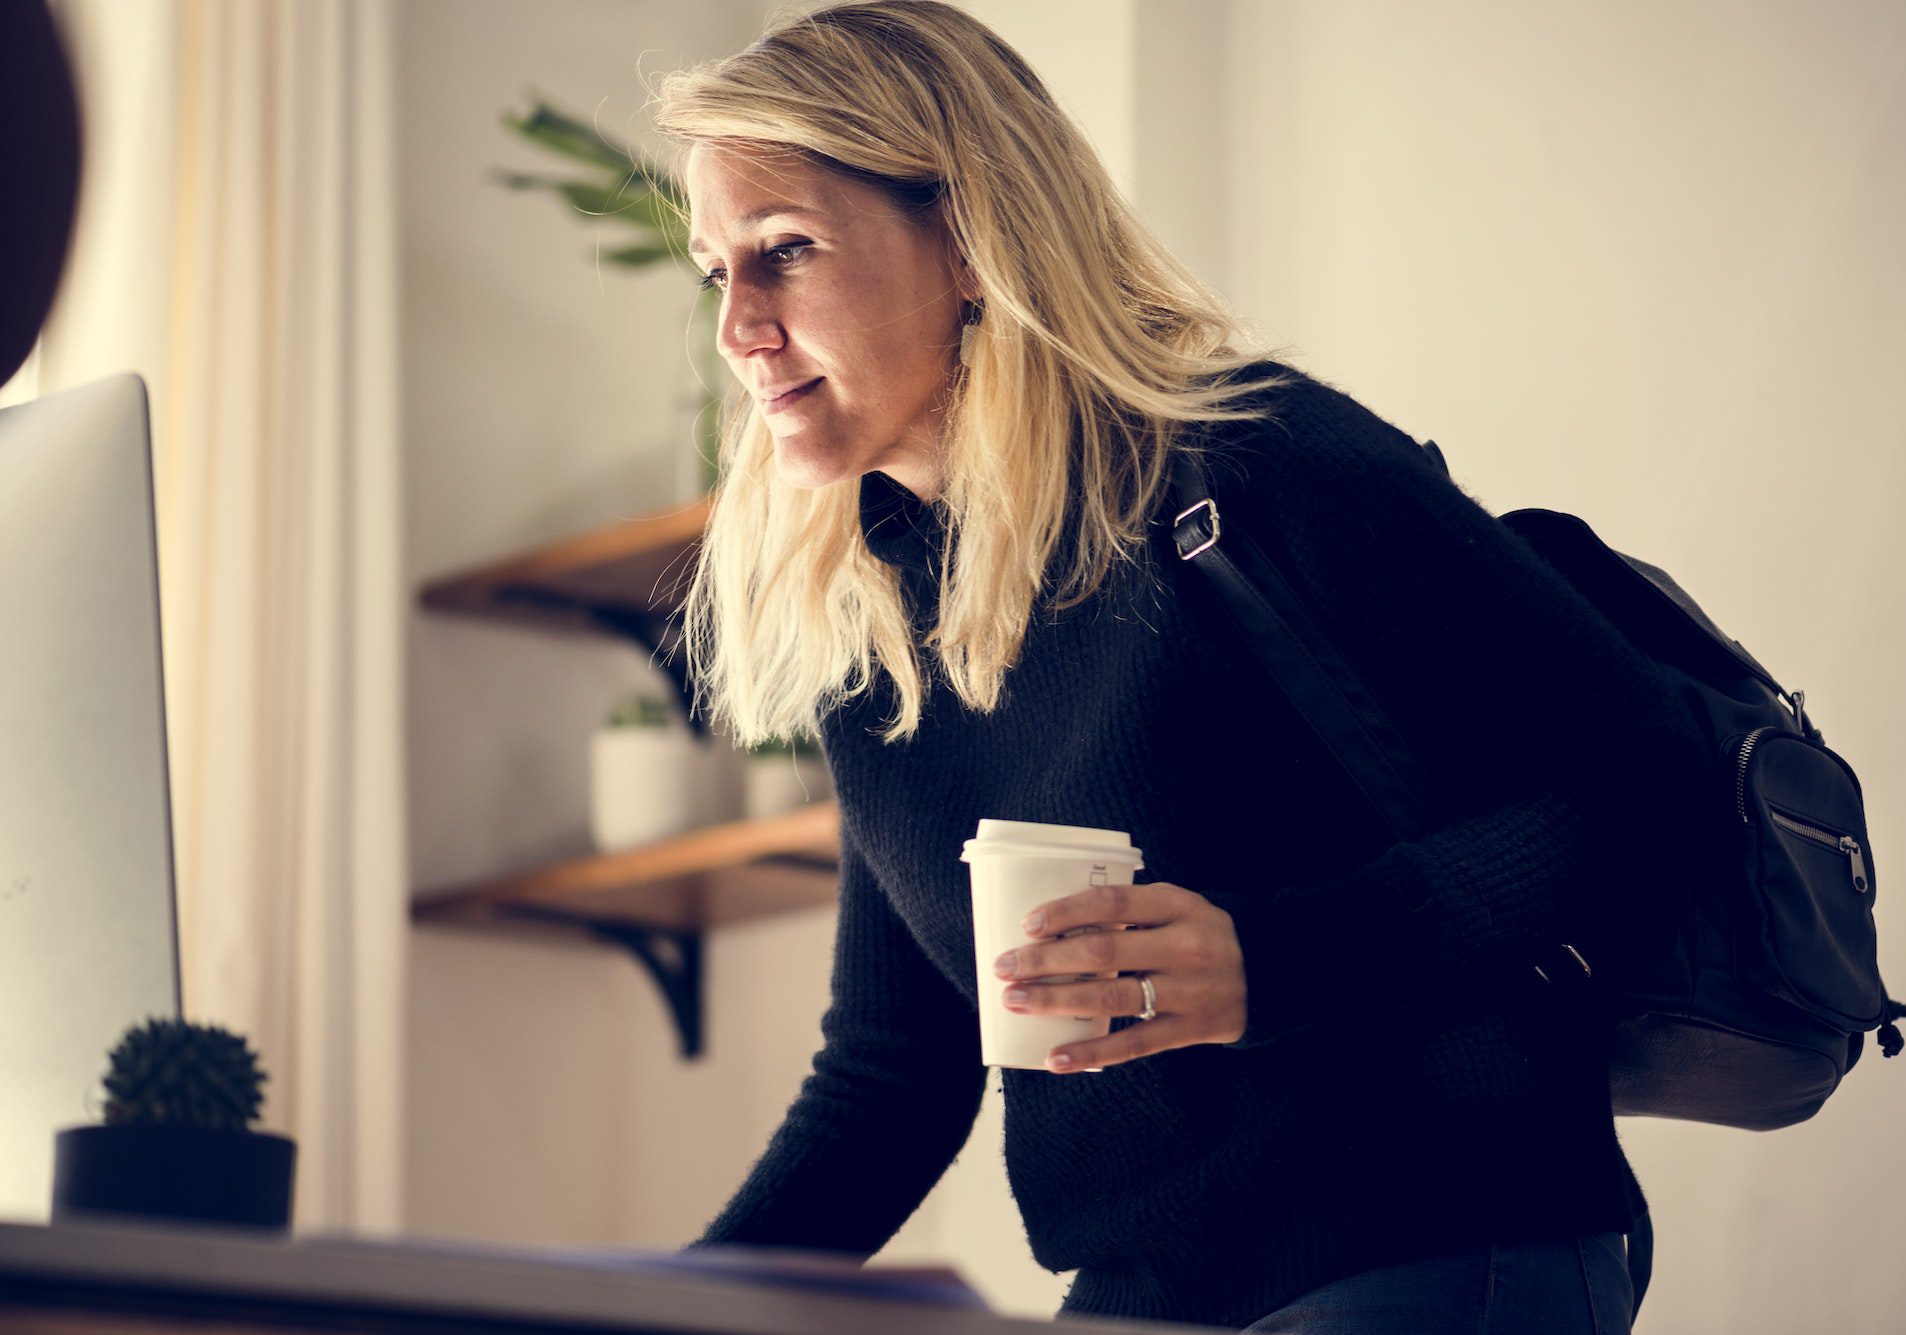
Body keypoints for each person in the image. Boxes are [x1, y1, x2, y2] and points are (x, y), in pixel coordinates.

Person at [655, 3, 1716, 1331]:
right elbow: (893, 1070)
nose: (738, 326)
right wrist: (655, 1308)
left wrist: (1274, 962)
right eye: (716, 273)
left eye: (785, 252)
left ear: (970, 237)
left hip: (1437, 1241)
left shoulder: (1253, 466)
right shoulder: (880, 643)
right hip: (1148, 1291)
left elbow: (1649, 781)